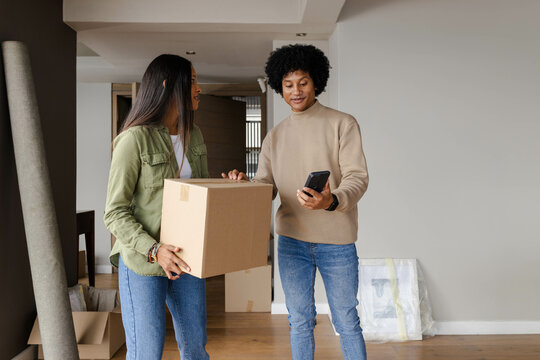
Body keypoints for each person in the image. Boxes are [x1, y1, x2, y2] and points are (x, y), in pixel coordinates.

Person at [223, 44, 369, 360]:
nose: (296, 91)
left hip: (337, 241)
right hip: (292, 242)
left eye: (302, 82)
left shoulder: (342, 123)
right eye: (288, 85)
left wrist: (332, 201)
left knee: (346, 320)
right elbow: (266, 187)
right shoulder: (274, 136)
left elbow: (358, 178)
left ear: (316, 81)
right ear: (279, 87)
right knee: (299, 321)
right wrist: (244, 185)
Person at [104, 54, 209, 360]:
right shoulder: (133, 140)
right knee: (147, 353)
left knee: (196, 348)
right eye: (192, 81)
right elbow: (115, 212)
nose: (198, 88)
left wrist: (229, 183)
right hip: (144, 261)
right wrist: (155, 250)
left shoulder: (195, 135)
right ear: (168, 85)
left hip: (187, 259)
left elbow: (200, 195)